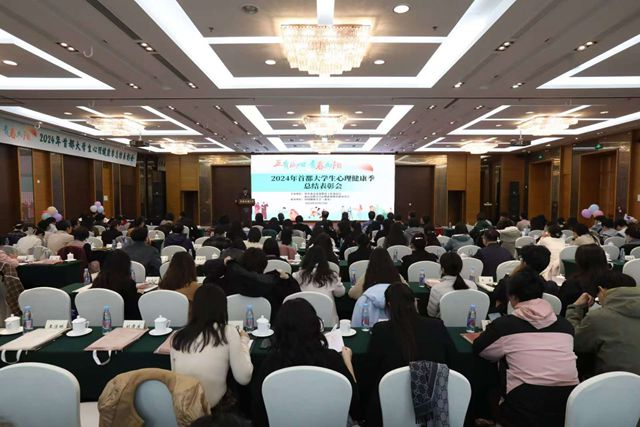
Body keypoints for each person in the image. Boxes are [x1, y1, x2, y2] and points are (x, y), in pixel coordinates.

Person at [473, 268, 578, 427]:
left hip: (525, 409)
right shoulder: (566, 326)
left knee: (491, 380)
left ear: (512, 297)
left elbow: (481, 350)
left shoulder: (505, 325)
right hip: (567, 407)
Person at [251, 299, 359, 427]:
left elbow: (257, 410)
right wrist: (348, 362)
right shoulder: (332, 360)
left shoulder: (270, 364)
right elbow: (355, 403)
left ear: (279, 330)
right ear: (315, 326)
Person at [365, 283, 456, 426]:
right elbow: (452, 361)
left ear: (389, 305)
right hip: (433, 398)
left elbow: (370, 369)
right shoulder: (436, 326)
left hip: (390, 402)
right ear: (414, 302)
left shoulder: (381, 330)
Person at [170, 284, 253, 410]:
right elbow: (244, 377)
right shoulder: (227, 332)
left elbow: (175, 375)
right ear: (223, 308)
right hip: (213, 410)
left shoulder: (177, 336)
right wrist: (244, 342)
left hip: (183, 409)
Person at [566, 270, 640, 376]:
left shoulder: (599, 317)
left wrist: (575, 308)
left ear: (601, 290)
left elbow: (573, 340)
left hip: (613, 382)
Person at [223, 249, 300, 316]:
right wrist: (288, 278)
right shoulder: (276, 285)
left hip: (233, 325)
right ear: (264, 265)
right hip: (269, 325)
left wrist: (230, 264)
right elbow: (296, 298)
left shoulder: (228, 282)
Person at [490, 245, 560, 314]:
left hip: (512, 319)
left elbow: (495, 303)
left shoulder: (508, 283)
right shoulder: (551, 287)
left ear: (524, 263)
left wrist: (513, 274)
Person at [292, 245, 345, 325]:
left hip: (303, 319)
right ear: (324, 261)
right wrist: (339, 284)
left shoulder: (297, 275)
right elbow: (340, 294)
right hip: (329, 322)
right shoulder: (331, 275)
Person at [558, 244, 609, 315]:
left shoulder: (572, 284)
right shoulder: (612, 280)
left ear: (579, 261)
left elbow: (561, 310)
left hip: (575, 318)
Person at [92, 250, 141, 320]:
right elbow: (133, 309)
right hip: (124, 321)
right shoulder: (128, 284)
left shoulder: (98, 281)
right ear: (126, 266)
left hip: (99, 320)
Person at [427, 252, 477, 317]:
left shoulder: (436, 289)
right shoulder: (472, 285)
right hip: (468, 322)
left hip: (443, 323)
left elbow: (431, 314)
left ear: (442, 269)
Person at [160, 251, 200, 316]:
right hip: (188, 320)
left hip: (166, 318)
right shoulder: (195, 287)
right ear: (192, 267)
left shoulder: (162, 286)